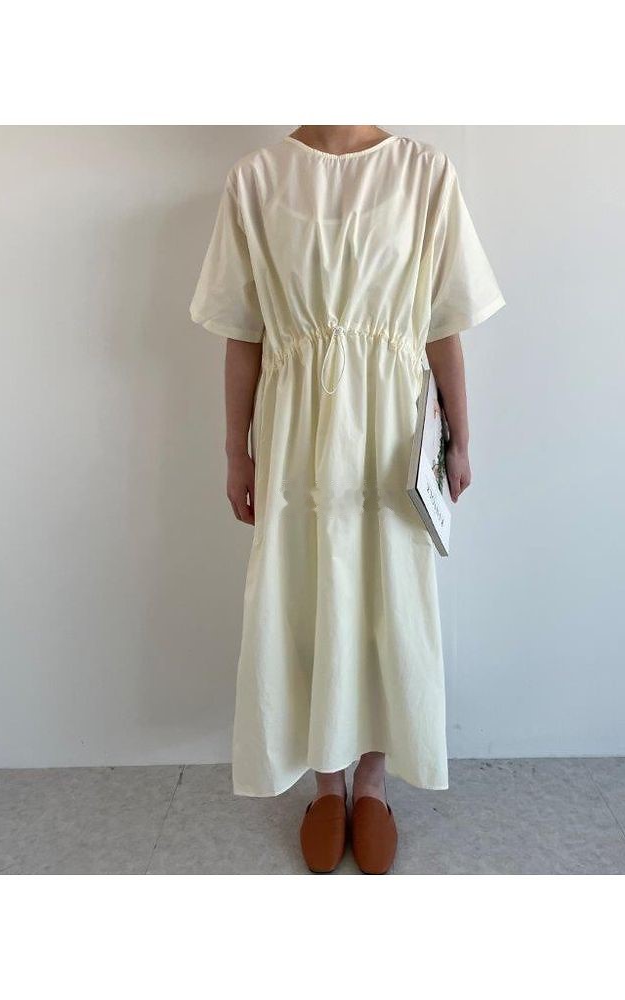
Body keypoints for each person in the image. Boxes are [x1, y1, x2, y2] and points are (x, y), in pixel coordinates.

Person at [190, 125, 504, 874]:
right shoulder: (257, 179)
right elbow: (243, 333)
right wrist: (236, 450)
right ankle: (324, 783)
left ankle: (372, 782)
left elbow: (442, 325)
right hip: (297, 432)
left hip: (391, 430)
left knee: (385, 597)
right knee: (304, 593)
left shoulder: (424, 174)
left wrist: (460, 437)